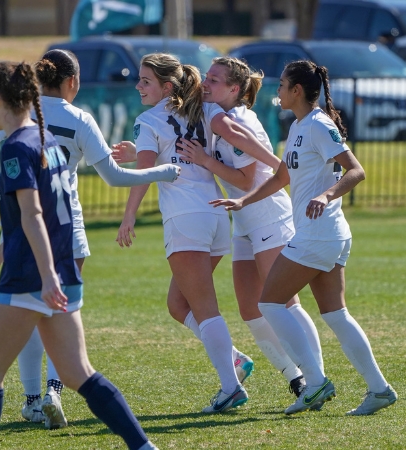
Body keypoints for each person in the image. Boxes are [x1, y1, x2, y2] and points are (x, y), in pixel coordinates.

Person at [0, 49, 179, 430]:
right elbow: (115, 177)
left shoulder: (19, 115)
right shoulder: (77, 119)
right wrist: (162, 172)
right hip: (68, 230)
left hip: (31, 238)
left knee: (22, 322)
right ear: (72, 82)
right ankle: (54, 393)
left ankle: (31, 399)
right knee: (66, 338)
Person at [212, 60, 396, 416]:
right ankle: (379, 389)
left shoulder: (318, 125)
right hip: (324, 235)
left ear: (297, 90)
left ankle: (314, 383)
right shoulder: (298, 126)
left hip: (319, 234)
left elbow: (356, 171)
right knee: (336, 315)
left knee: (269, 303)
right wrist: (244, 200)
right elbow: (282, 175)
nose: (276, 90)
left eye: (282, 85)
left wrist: (326, 195)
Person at [114, 53, 283, 413]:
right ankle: (234, 358)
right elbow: (235, 133)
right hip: (217, 216)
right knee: (178, 304)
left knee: (206, 309)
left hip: (185, 218)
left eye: (145, 81)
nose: (138, 86)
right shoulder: (204, 110)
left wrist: (128, 216)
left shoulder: (148, 120)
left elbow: (146, 171)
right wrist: (277, 164)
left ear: (167, 86)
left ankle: (230, 387)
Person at [173, 56, 324, 398]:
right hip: (245, 221)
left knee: (285, 303)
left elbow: (246, 178)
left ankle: (318, 378)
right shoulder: (218, 115)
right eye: (206, 77)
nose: (205, 84)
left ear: (234, 88)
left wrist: (206, 161)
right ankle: (295, 377)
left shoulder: (237, 119)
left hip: (269, 215)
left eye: (214, 79)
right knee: (250, 308)